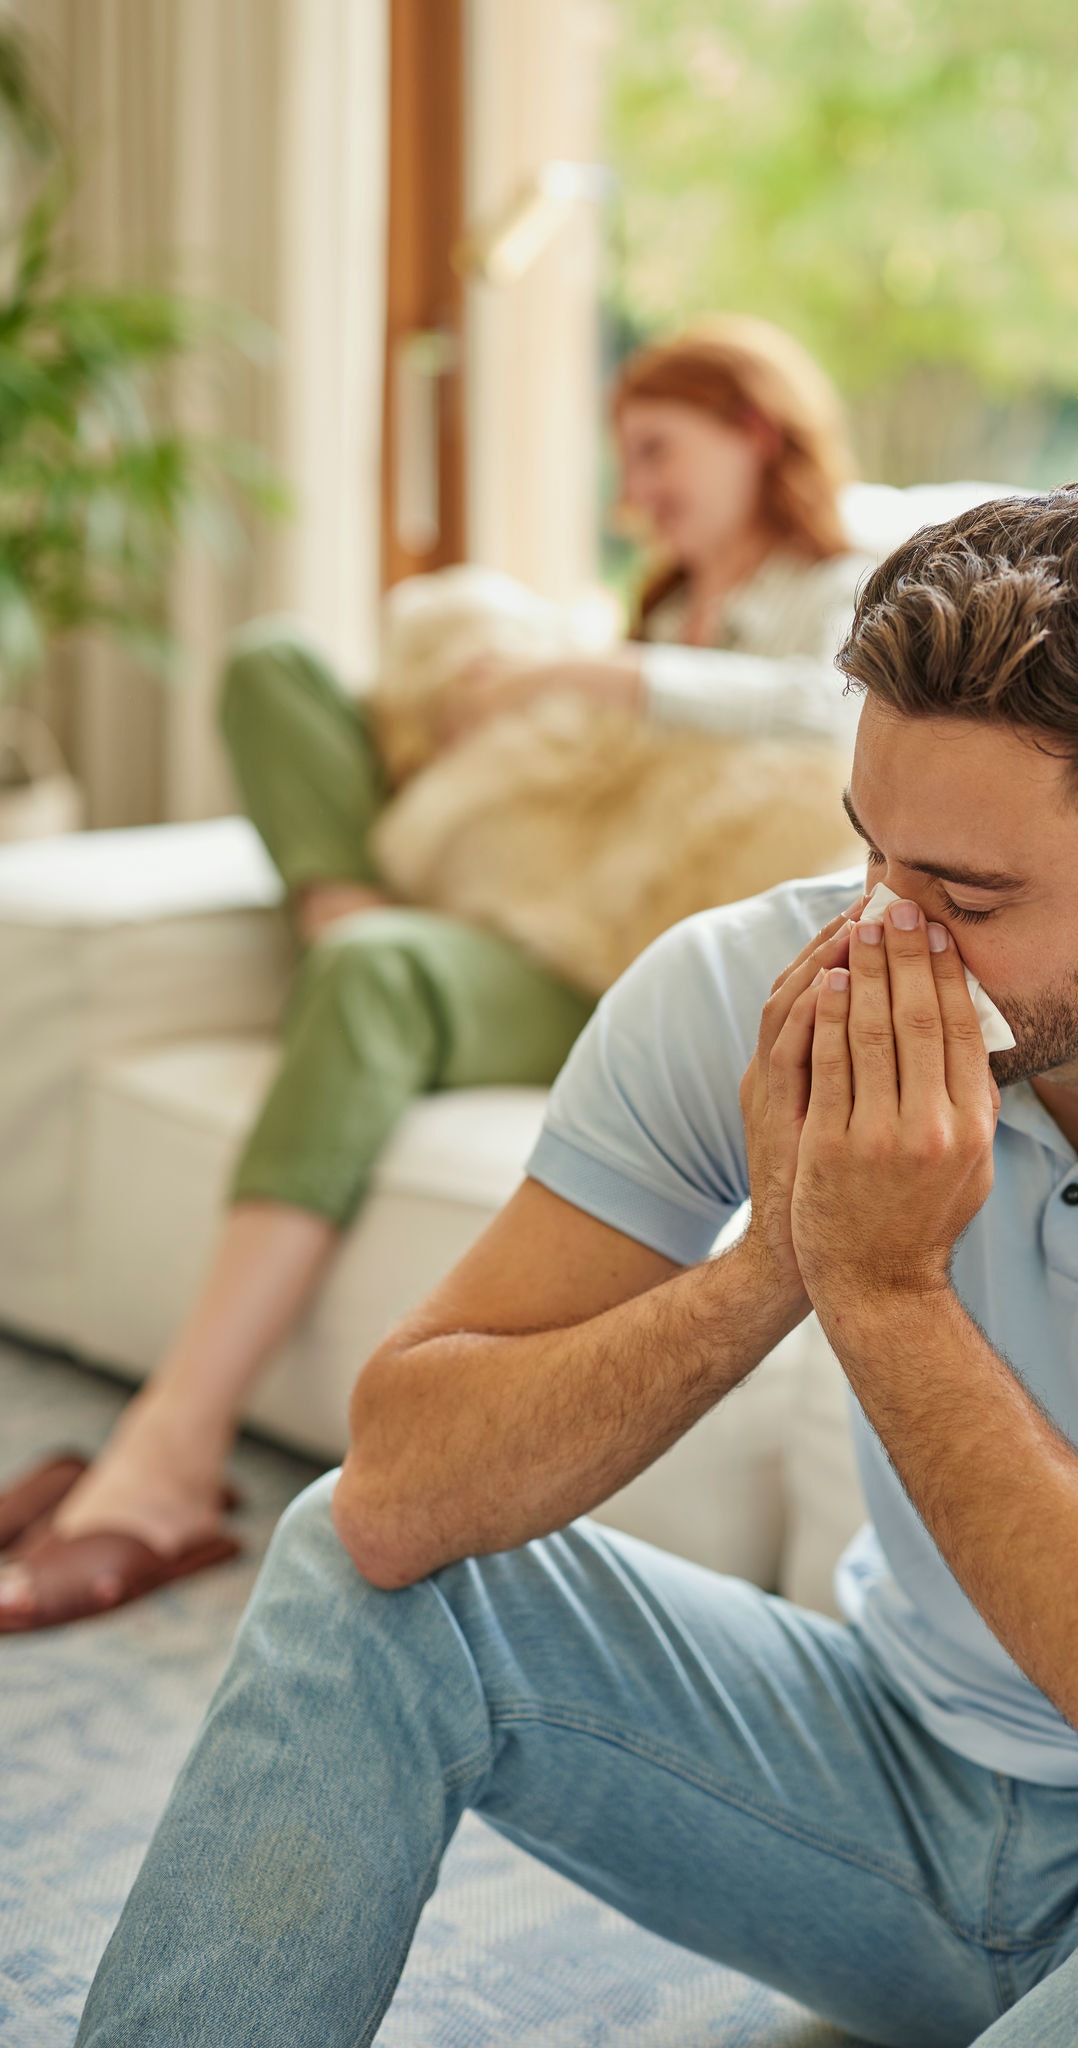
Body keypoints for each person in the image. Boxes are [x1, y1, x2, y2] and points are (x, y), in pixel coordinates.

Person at [75, 484, 1078, 2047]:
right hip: (885, 1800)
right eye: (870, 852)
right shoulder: (738, 984)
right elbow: (397, 1493)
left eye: (967, 897)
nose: (879, 940)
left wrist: (888, 1294)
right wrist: (780, 1254)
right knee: (358, 1556)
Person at [0, 315, 869, 1630]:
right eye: (624, 463)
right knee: (276, 666)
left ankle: (170, 1452)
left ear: (754, 430)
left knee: (372, 978)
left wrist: (587, 675)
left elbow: (839, 711)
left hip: (607, 960)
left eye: (656, 451)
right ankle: (353, 914)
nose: (634, 493)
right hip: (503, 901)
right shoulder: (654, 595)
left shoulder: (841, 584)